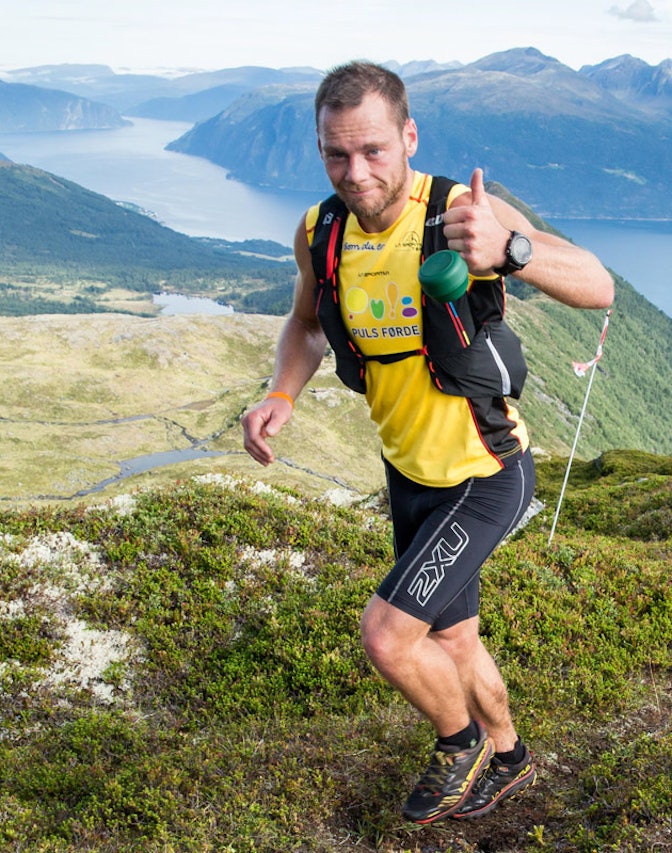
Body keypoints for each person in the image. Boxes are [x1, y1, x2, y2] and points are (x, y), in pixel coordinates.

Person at [240, 61, 614, 824]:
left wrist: (511, 249)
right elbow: (308, 325)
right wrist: (282, 392)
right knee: (453, 639)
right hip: (409, 473)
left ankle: (460, 739)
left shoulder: (457, 210)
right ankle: (509, 758)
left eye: (374, 149)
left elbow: (599, 284)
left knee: (387, 635)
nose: (356, 171)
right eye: (336, 154)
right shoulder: (322, 232)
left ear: (409, 137)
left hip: (486, 472)